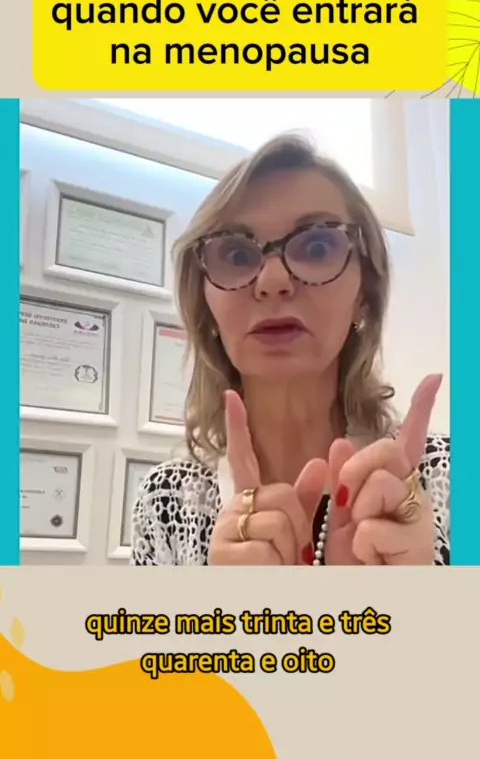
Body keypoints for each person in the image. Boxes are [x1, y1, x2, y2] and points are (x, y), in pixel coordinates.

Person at [131, 134, 450, 567]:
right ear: (206, 307)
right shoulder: (168, 501)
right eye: (236, 254)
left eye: (317, 247)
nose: (273, 281)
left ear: (365, 295)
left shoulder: (450, 475)